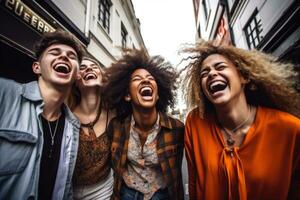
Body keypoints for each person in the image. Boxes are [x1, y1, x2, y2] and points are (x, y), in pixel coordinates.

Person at [182, 40, 300, 200]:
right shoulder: (195, 123)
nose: (211, 74)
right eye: (204, 73)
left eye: (220, 67)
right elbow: (195, 184)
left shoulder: (290, 130)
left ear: (243, 77)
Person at [0, 29, 85, 200]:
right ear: (37, 67)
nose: (64, 57)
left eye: (71, 56)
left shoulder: (73, 125)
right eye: (55, 52)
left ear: (77, 74)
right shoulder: (4, 93)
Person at [103, 49, 184, 200]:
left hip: (163, 194)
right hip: (127, 194)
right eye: (137, 79)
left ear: (158, 94)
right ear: (127, 95)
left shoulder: (177, 129)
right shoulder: (116, 127)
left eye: (149, 78)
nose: (145, 80)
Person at [68, 56, 114, 199]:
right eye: (82, 67)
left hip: (103, 188)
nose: (88, 68)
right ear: (76, 80)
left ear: (102, 77)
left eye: (94, 66)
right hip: (69, 189)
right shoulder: (66, 113)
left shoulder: (114, 114)